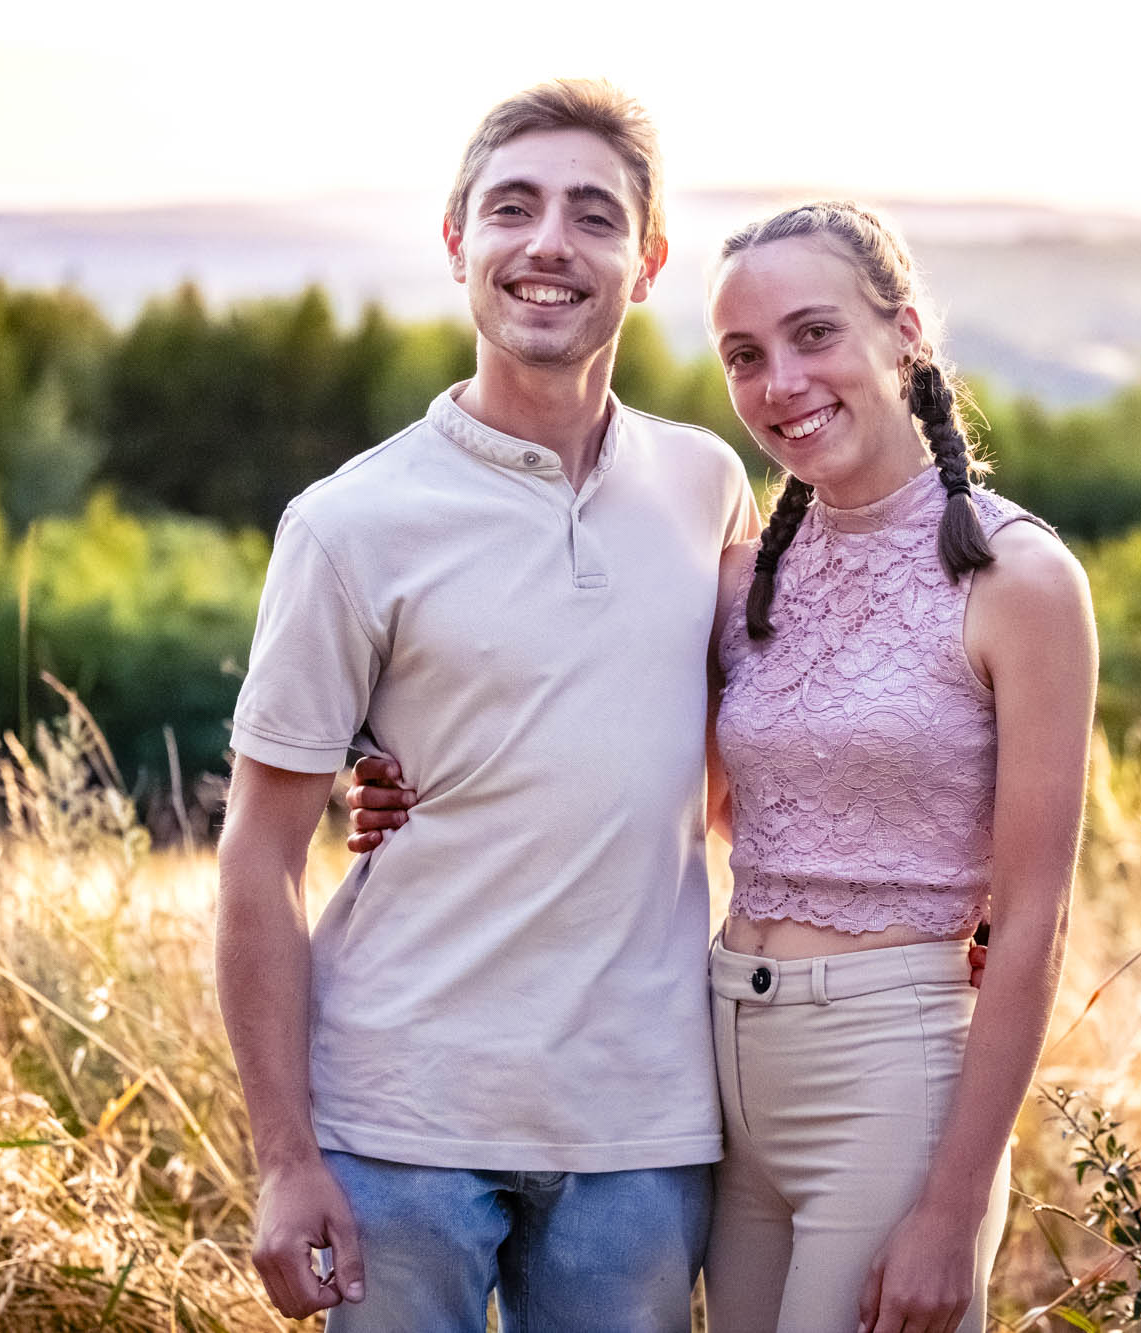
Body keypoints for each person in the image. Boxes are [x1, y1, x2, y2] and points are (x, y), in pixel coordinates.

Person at [354, 201, 1098, 1332]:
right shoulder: (743, 574)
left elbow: (1034, 917)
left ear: (902, 334)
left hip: (890, 1070)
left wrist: (950, 1212)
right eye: (744, 357)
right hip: (718, 1064)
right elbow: (649, 774)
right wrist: (405, 778)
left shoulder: (1019, 579)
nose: (779, 382)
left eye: (813, 336)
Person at [215, 80, 758, 1331]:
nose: (547, 244)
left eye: (593, 214)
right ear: (457, 241)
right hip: (397, 1123)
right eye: (510, 208)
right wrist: (285, 1159)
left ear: (648, 260)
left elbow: (737, 763)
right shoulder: (347, 524)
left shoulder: (705, 482)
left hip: (642, 1125)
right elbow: (255, 855)